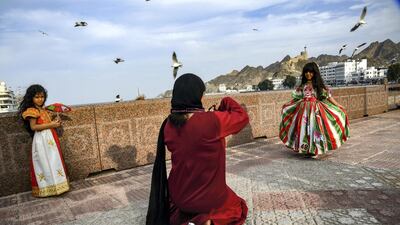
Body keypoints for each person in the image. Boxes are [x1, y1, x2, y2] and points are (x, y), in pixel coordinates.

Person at [146, 73, 249, 225]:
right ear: (198, 96)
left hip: (179, 198)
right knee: (237, 206)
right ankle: (205, 220)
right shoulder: (212, 121)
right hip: (208, 199)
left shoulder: (168, 125)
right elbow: (242, 116)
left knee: (181, 210)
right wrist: (225, 100)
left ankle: (192, 219)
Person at [279, 62, 349, 158]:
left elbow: (328, 97)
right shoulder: (302, 86)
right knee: (303, 129)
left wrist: (338, 105)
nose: (308, 74)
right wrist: (287, 105)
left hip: (315, 111)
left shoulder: (318, 86)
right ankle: (306, 149)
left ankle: (315, 149)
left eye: (311, 72)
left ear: (315, 73)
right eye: (306, 72)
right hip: (303, 111)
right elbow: (296, 98)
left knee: (314, 129)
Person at [18, 84, 70, 197]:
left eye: (42, 96)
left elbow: (45, 122)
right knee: (44, 162)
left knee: (54, 159)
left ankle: (58, 185)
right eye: (37, 97)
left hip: (50, 138)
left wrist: (55, 122)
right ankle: (47, 188)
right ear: (31, 98)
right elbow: (34, 127)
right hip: (41, 140)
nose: (40, 99)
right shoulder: (32, 111)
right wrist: (51, 124)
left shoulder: (43, 110)